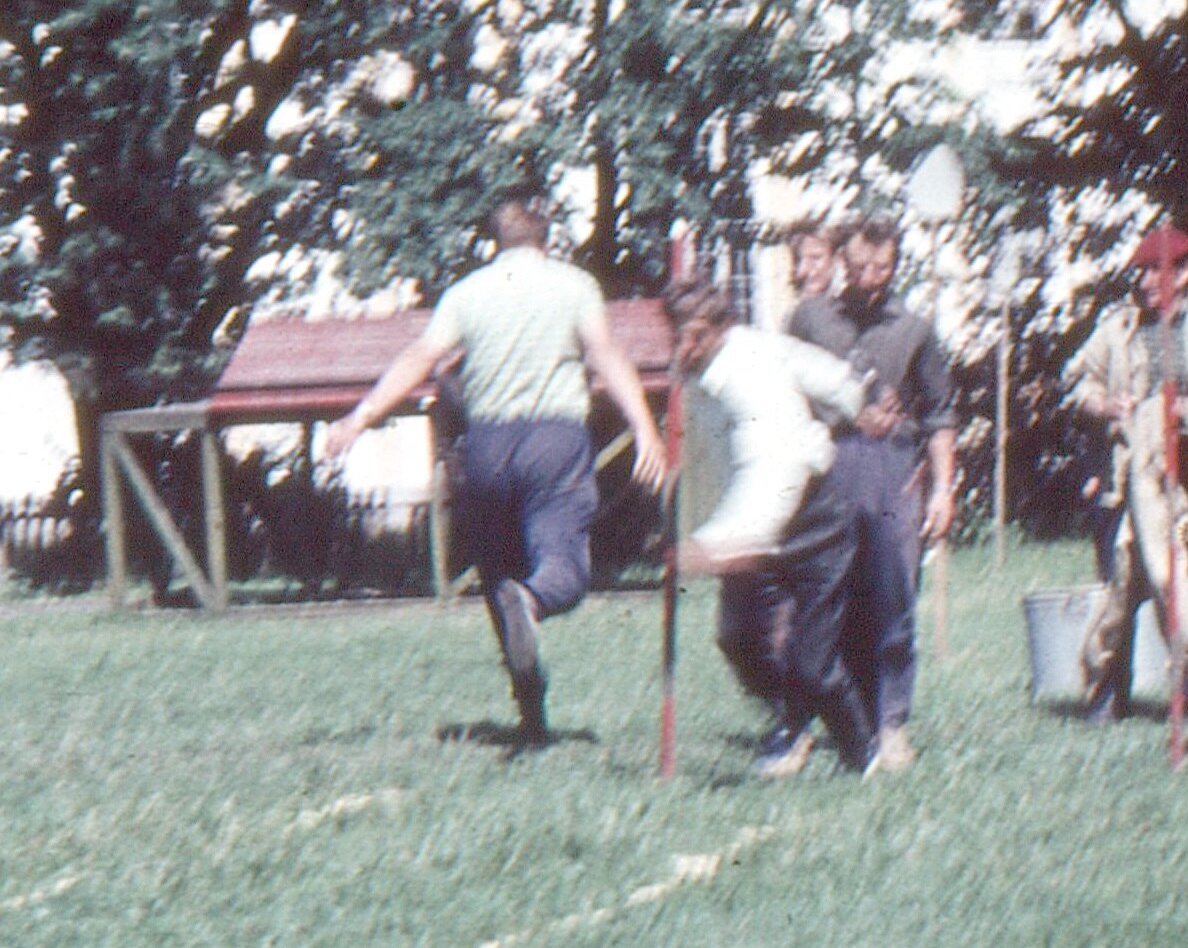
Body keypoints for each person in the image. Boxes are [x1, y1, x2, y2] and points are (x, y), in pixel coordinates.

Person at [322, 200, 666, 744]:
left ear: (495, 243)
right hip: (553, 440)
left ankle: (530, 711)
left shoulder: (466, 293)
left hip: (487, 447)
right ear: (548, 242)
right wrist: (645, 427)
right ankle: (534, 600)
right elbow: (604, 354)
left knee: (498, 574)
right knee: (562, 563)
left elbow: (420, 358)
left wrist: (357, 419)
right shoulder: (574, 285)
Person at [667, 277, 881, 778]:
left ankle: (862, 755)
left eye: (696, 335)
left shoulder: (749, 380)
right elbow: (707, 464)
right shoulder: (705, 371)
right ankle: (792, 724)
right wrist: (692, 528)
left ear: (722, 328)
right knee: (739, 639)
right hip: (749, 529)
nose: (684, 346)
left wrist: (717, 545)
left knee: (812, 662)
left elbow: (773, 474)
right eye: (678, 334)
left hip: (811, 523)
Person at [788, 219, 957, 770]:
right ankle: (805, 723)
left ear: (895, 266)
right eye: (859, 267)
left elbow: (940, 415)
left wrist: (943, 490)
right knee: (820, 599)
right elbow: (783, 391)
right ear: (842, 262)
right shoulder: (810, 319)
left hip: (891, 469)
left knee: (892, 597)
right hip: (826, 464)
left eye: (881, 268)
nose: (869, 279)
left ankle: (890, 724)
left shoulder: (915, 329)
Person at [1064, 223, 1188, 717]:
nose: (1147, 282)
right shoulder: (1117, 328)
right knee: (1121, 582)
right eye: (1141, 272)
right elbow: (1078, 383)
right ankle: (1107, 693)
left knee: (1185, 578)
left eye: (1157, 271)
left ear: (1184, 272)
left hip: (1187, 487)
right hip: (1123, 482)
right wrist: (1103, 405)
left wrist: (1184, 414)